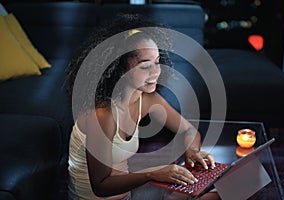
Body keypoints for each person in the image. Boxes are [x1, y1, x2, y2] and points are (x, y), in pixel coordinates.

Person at [65, 14, 218, 200]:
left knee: (215, 194)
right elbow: (101, 186)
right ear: (119, 68)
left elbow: (188, 130)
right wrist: (152, 173)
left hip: (128, 193)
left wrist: (192, 151)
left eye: (157, 62)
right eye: (145, 66)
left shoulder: (146, 99)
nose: (155, 72)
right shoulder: (103, 114)